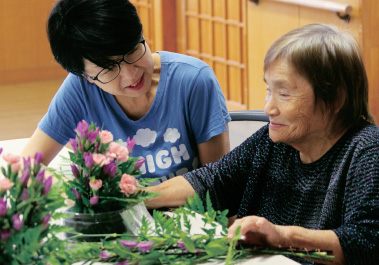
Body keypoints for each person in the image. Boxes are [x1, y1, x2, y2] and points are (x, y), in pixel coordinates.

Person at [146, 24, 379, 265]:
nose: (269, 108)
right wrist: (134, 196)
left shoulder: (367, 152)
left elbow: (365, 245)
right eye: (269, 90)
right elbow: (213, 181)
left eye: (284, 94)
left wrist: (281, 237)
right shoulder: (274, 142)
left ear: (335, 99)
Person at [21, 0, 231, 183]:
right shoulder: (80, 89)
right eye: (108, 68)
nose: (131, 74)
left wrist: (142, 199)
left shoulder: (192, 80)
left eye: (132, 51)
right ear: (84, 75)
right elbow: (27, 165)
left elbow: (219, 182)